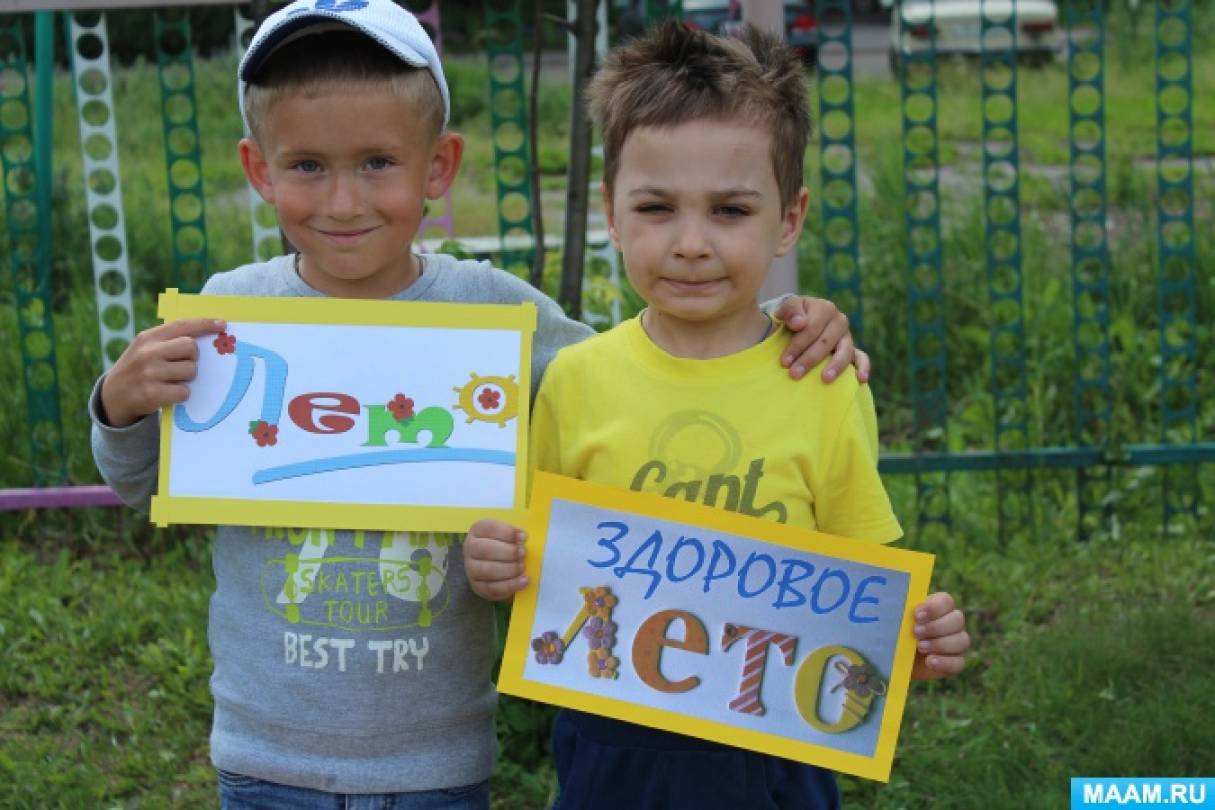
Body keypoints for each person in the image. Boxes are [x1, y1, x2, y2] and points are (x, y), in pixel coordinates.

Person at [88, 1, 864, 806]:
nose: (344, 201)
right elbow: (143, 484)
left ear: (438, 167)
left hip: (439, 758)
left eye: (378, 163)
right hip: (264, 751)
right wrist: (121, 405)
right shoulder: (230, 315)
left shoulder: (495, 312)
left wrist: (780, 333)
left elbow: (646, 368)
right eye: (308, 165)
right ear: (259, 170)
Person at [463, 21, 970, 810]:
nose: (691, 243)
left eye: (730, 210)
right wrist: (497, 563)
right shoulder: (573, 380)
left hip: (774, 754)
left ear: (788, 218)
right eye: (656, 207)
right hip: (609, 750)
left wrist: (917, 637)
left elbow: (863, 590)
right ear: (611, 212)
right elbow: (536, 563)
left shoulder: (824, 382)